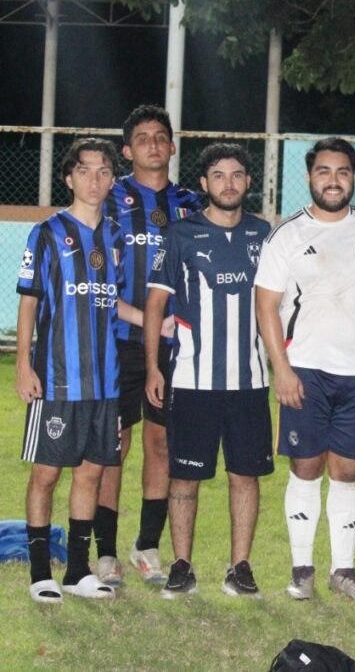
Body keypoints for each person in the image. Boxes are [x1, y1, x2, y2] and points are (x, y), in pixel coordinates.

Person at [255, 138, 355, 601]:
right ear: (309, 177)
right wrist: (283, 369)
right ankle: (301, 570)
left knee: (349, 470)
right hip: (306, 370)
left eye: (342, 172)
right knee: (306, 465)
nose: (333, 180)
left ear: (353, 177)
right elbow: (267, 306)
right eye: (323, 171)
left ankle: (344, 570)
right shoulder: (288, 234)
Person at [144, 144, 272, 599]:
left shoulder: (264, 233)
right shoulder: (180, 234)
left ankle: (240, 567)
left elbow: (275, 305)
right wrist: (153, 369)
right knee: (185, 475)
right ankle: (182, 565)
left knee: (245, 474)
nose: (229, 184)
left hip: (250, 380)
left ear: (248, 182)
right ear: (204, 184)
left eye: (237, 175)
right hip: (192, 378)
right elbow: (155, 303)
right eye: (218, 176)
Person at [17, 138, 142, 602]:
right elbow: (28, 301)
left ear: (113, 179)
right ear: (68, 178)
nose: (95, 179)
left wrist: (156, 320)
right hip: (57, 377)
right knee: (47, 474)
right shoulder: (47, 234)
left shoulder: (114, 237)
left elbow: (112, 304)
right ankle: (38, 573)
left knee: (91, 472)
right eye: (85, 170)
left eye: (104, 171)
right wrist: (24, 365)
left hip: (104, 381)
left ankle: (76, 571)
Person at [96, 105, 201, 586]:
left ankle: (148, 545)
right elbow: (95, 281)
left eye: (162, 137)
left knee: (161, 443)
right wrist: (145, 319)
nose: (153, 145)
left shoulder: (192, 204)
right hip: (118, 343)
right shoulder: (108, 199)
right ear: (126, 150)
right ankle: (105, 552)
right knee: (113, 444)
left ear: (173, 146)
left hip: (176, 348)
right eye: (142, 138)